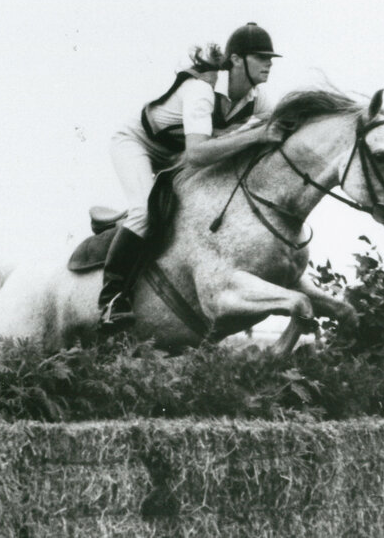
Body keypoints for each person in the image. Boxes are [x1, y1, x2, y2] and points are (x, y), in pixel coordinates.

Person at [99, 23, 286, 332]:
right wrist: (256, 135)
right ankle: (111, 300)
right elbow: (198, 154)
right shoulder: (202, 90)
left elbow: (272, 131)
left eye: (270, 58)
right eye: (261, 57)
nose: (269, 64)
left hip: (177, 155)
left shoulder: (258, 99)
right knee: (144, 211)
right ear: (237, 60)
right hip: (139, 144)